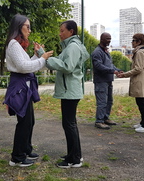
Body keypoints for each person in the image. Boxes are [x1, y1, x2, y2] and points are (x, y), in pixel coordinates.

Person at [3, 14, 53, 167]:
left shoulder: (17, 45)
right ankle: (17, 157)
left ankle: (25, 149)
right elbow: (24, 68)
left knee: (29, 121)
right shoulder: (13, 44)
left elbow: (26, 64)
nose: (29, 30)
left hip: (24, 86)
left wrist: (36, 55)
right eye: (27, 27)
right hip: (20, 87)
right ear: (19, 27)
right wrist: (42, 58)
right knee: (24, 122)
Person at [45, 20, 89, 169]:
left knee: (69, 124)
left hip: (69, 91)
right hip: (69, 90)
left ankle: (74, 159)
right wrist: (42, 55)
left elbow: (67, 67)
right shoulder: (70, 46)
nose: (60, 33)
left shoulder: (72, 47)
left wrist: (48, 60)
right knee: (70, 124)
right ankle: (75, 154)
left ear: (71, 32)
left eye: (62, 30)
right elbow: (59, 61)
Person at [117, 33, 144, 133]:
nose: (132, 43)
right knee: (141, 101)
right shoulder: (142, 51)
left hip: (140, 78)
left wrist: (124, 74)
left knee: (142, 102)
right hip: (142, 77)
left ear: (139, 42)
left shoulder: (139, 53)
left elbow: (138, 68)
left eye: (133, 40)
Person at [92, 32, 122, 129]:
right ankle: (99, 121)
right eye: (107, 39)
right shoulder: (97, 52)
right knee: (102, 102)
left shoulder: (106, 52)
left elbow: (110, 65)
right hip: (101, 81)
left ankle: (105, 118)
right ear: (101, 39)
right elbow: (99, 66)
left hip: (108, 80)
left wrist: (117, 70)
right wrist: (112, 71)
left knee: (109, 101)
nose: (109, 40)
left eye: (110, 38)